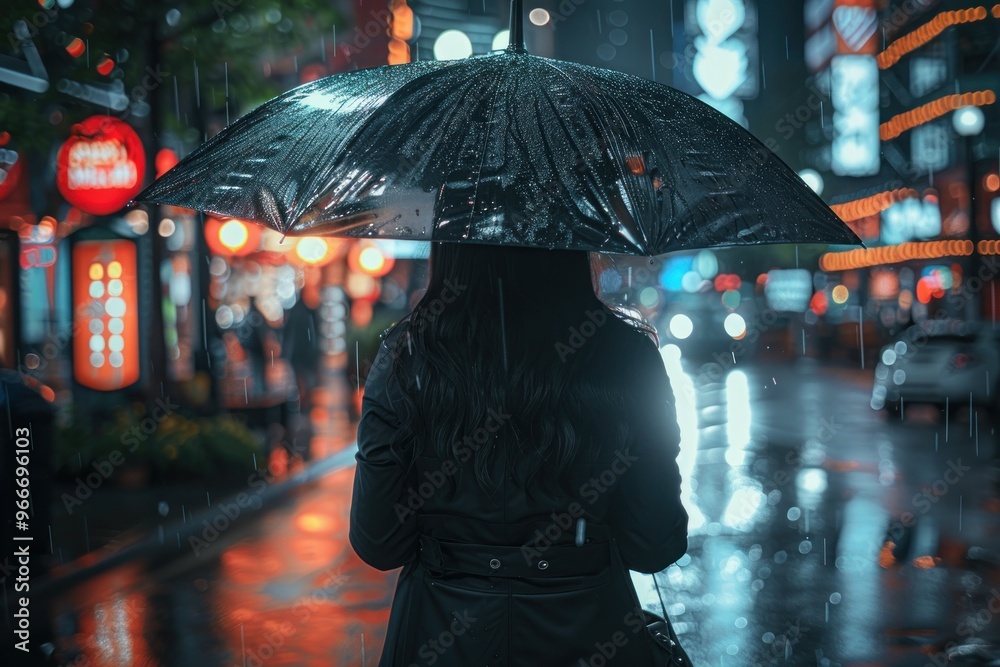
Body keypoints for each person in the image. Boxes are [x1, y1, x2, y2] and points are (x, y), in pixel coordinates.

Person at [349, 242, 688, 666]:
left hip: (440, 635)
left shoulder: (406, 357)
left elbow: (378, 542)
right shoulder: (627, 356)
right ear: (571, 246)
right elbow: (655, 544)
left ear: (450, 251)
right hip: (593, 634)